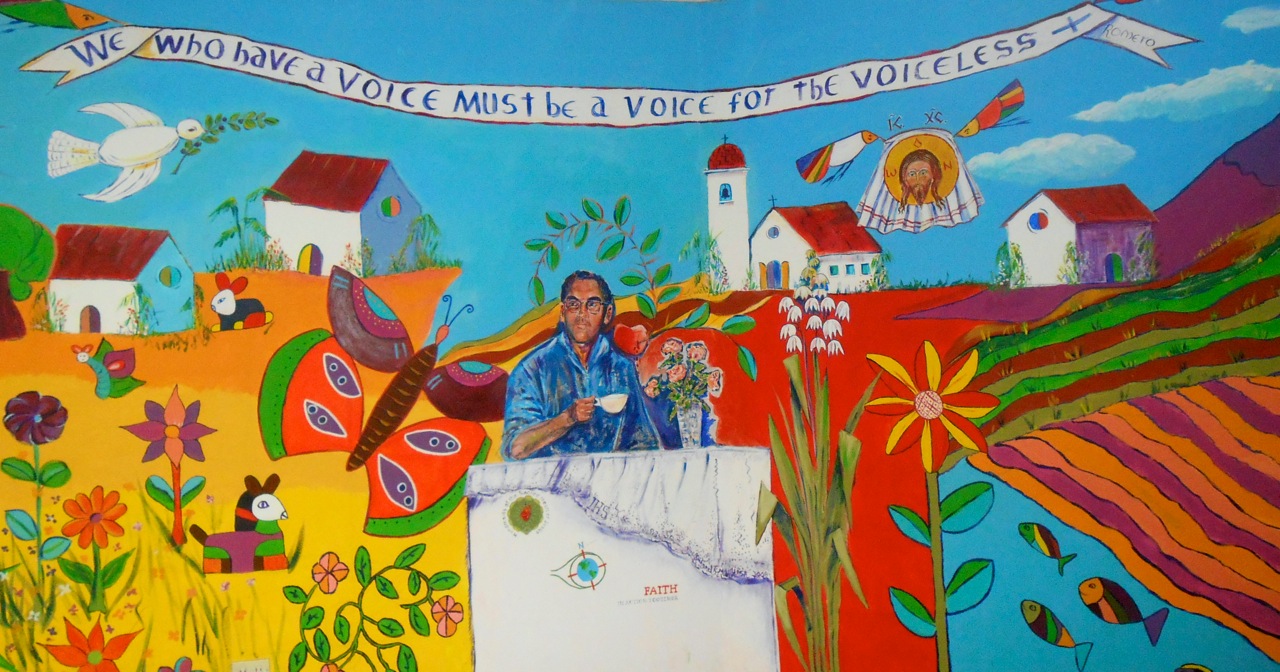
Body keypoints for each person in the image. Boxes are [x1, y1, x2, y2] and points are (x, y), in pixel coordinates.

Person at [501, 270, 659, 460]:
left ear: (607, 314)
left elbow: (644, 442)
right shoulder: (533, 369)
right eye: (574, 304)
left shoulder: (621, 368)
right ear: (562, 312)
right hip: (550, 476)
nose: (582, 314)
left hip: (608, 474)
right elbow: (516, 448)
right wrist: (567, 419)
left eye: (592, 304)